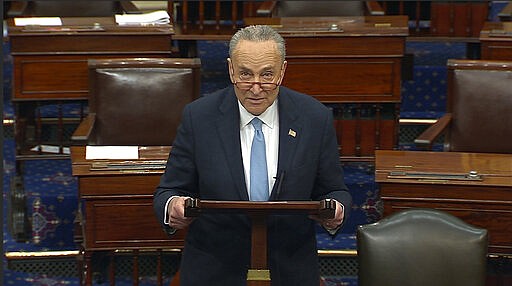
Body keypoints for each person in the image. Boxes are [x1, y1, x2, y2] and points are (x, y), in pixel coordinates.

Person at [153, 25, 352, 286]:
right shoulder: (199, 117)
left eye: (267, 75)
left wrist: (336, 210)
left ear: (282, 71)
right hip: (214, 268)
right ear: (230, 68)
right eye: (245, 74)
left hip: (289, 269)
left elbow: (336, 191)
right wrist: (173, 207)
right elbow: (168, 191)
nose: (256, 88)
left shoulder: (314, 118)